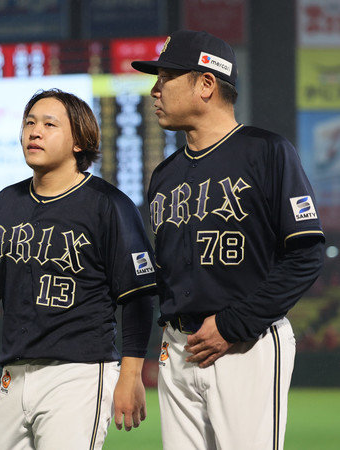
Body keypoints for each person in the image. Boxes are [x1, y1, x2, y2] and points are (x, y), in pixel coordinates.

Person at [0, 88, 157, 449]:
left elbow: (138, 297)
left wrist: (131, 374)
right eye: (29, 123)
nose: (34, 131)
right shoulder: (7, 202)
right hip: (14, 376)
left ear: (80, 141)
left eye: (49, 124)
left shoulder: (108, 205)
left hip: (79, 374)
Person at [131, 30, 325, 450]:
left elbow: (306, 256)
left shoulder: (267, 152)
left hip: (245, 345)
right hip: (178, 348)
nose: (155, 89)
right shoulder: (163, 177)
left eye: (166, 76)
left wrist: (235, 324)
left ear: (206, 84)